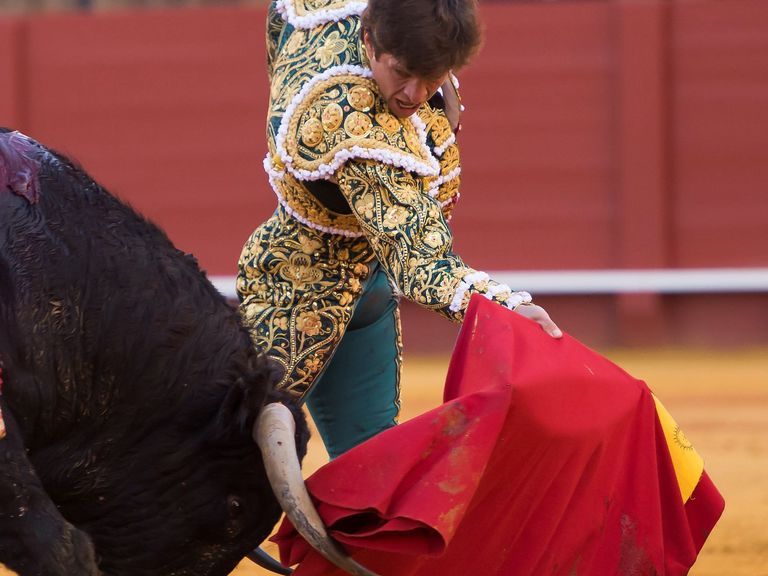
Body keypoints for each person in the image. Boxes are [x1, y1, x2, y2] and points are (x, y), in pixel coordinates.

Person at [236, 0, 562, 459]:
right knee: (232, 463)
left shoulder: (335, 10)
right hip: (298, 291)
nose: (414, 93)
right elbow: (417, 260)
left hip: (367, 287)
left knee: (372, 465)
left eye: (432, 76)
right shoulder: (348, 121)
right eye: (402, 72)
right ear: (370, 42)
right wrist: (504, 308)